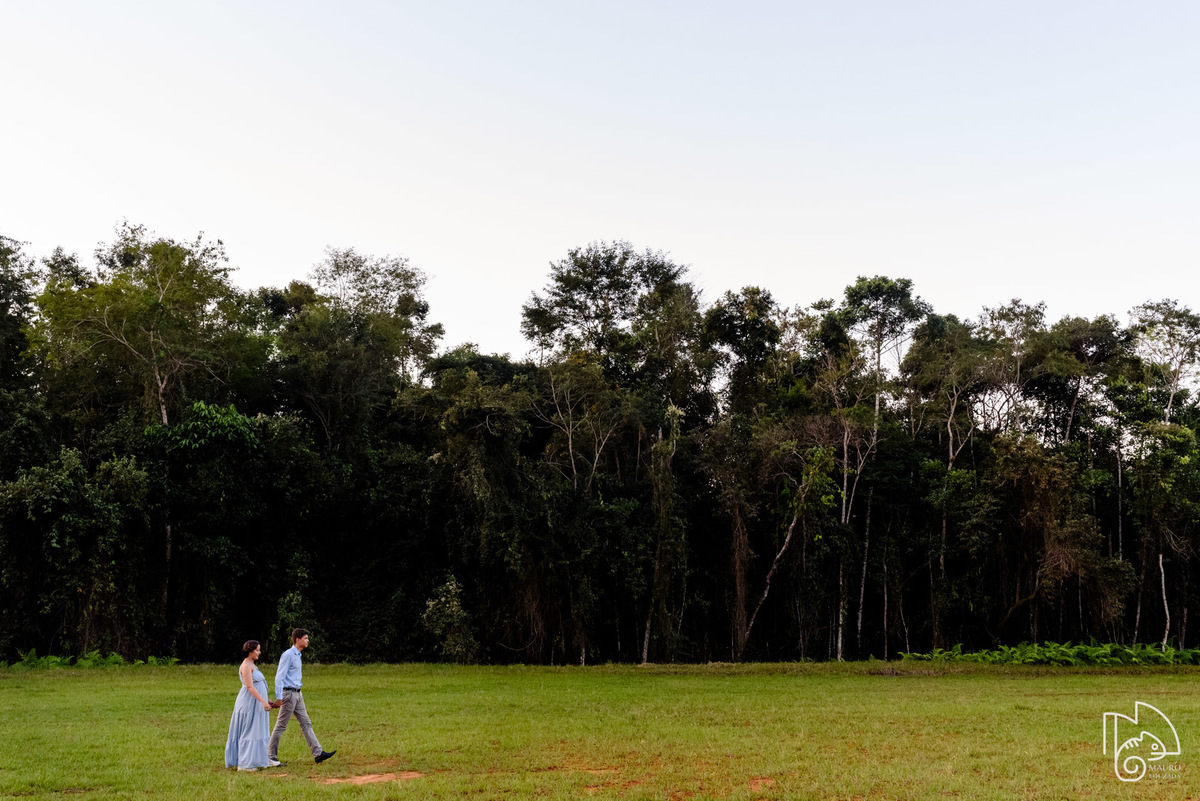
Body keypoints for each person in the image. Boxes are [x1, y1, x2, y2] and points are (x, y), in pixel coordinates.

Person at [268, 628, 336, 764]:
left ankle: (318, 753)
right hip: (289, 694)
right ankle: (270, 756)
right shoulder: (288, 655)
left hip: (298, 693)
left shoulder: (298, 655)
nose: (308, 640)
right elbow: (279, 677)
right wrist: (279, 698)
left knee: (306, 723)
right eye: (305, 638)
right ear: (297, 640)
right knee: (281, 725)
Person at [224, 640, 282, 771]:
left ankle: (261, 759)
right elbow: (249, 686)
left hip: (257, 703)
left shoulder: (253, 665)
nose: (259, 653)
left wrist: (267, 700)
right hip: (249, 703)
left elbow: (258, 685)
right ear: (250, 652)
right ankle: (246, 764)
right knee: (250, 729)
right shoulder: (245, 666)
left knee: (258, 729)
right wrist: (262, 701)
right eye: (257, 650)